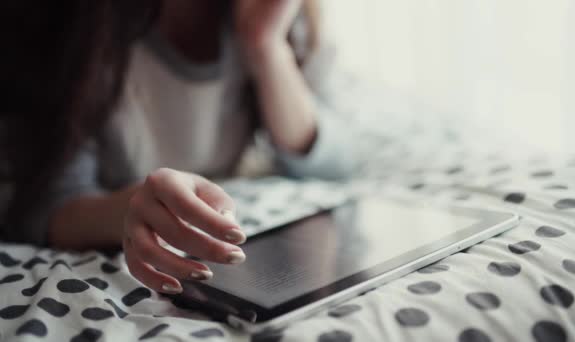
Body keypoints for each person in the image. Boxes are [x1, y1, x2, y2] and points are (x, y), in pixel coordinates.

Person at [0, 0, 355, 294]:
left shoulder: (272, 13)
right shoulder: (61, 29)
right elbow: (45, 206)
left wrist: (265, 44)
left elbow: (329, 162)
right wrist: (131, 208)